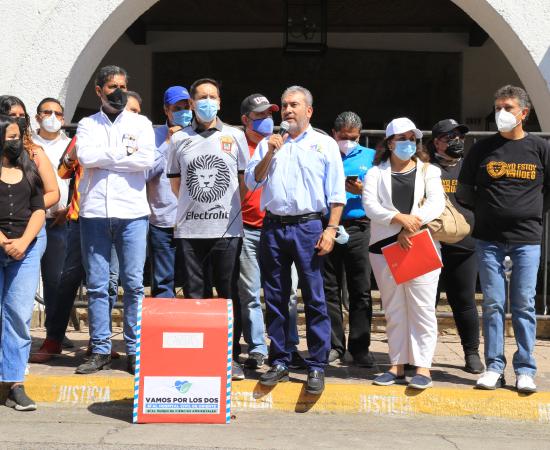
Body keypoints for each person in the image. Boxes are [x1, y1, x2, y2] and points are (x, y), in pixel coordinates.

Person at [245, 85, 346, 394]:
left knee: (314, 297)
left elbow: (336, 192)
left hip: (309, 227)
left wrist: (330, 230)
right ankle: (280, 360)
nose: (288, 110)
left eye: (294, 105)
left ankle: (316, 364)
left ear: (308, 111)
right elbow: (253, 181)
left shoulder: (324, 144)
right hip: (274, 227)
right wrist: (270, 152)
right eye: (285, 105)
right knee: (275, 296)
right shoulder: (269, 143)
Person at [30, 91, 143, 363]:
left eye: (135, 112)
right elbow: (63, 171)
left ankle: (99, 342)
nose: (129, 115)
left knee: (110, 283)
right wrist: (83, 153)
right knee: (68, 280)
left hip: (122, 216)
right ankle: (54, 339)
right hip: (82, 218)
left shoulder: (139, 135)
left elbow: (145, 163)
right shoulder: (87, 132)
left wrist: (105, 156)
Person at [457, 85, 550, 393]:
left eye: (508, 108)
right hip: (489, 239)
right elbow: (464, 191)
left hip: (527, 239)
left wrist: (529, 212)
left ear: (524, 113)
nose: (501, 113)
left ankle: (525, 369)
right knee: (493, 303)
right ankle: (494, 367)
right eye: (497, 107)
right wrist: (489, 212)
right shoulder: (482, 149)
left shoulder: (540, 148)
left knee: (523, 303)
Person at [74, 65, 154, 375]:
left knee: (132, 284)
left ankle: (134, 350)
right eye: (112, 87)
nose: (118, 92)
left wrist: (105, 157)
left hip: (132, 213)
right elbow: (85, 157)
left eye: (122, 86)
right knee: (97, 286)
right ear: (99, 90)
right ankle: (101, 349)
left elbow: (146, 159)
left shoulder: (140, 123)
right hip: (94, 212)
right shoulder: (87, 124)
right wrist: (122, 156)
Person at [167, 78, 248, 380]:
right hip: (190, 231)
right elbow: (176, 183)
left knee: (228, 295)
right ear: (191, 103)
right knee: (195, 295)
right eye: (202, 97)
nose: (208, 102)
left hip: (228, 229)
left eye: (213, 97)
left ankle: (231, 356)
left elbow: (243, 181)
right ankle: (199, 355)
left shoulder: (235, 136)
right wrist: (196, 207)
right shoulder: (179, 139)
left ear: (220, 102)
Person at [363, 117, 445, 390]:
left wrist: (412, 225)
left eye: (412, 139)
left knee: (422, 308)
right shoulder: (375, 173)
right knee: (394, 308)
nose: (408, 143)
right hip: (384, 249)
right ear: (389, 143)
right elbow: (371, 206)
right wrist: (399, 219)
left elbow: (436, 203)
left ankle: (423, 366)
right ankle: (396, 364)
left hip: (418, 244)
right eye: (402, 138)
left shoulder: (429, 171)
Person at [427, 119, 483, 374]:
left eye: (459, 136)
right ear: (437, 142)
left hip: (464, 245)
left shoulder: (470, 168)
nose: (456, 141)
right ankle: (419, 356)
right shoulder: (426, 168)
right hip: (430, 244)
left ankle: (471, 353)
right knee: (426, 302)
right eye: (450, 137)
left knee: (464, 301)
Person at [0, 114, 46, 410]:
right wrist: (4, 242)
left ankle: (14, 383)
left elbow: (39, 209)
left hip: (24, 251)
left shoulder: (29, 168)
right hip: (3, 245)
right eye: (10, 137)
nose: (15, 142)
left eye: (18, 137)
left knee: (18, 315)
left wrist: (23, 241)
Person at [324, 111, 375, 367]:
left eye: (353, 138)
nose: (348, 142)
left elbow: (380, 194)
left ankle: (360, 347)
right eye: (343, 137)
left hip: (359, 227)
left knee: (360, 289)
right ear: (334, 134)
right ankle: (334, 345)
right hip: (328, 226)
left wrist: (362, 189)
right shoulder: (324, 153)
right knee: (329, 288)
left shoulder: (371, 157)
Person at [237, 93, 279, 369]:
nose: (267, 119)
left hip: (277, 228)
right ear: (245, 119)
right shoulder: (237, 146)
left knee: (285, 293)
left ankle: (284, 347)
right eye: (259, 115)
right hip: (246, 228)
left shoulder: (282, 144)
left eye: (269, 114)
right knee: (250, 292)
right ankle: (257, 347)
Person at [31, 98, 71, 340]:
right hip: (28, 223)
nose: (53, 117)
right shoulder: (28, 145)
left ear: (64, 119)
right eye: (47, 112)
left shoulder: (70, 145)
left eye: (57, 113)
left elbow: (79, 182)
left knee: (56, 280)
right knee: (24, 279)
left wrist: (69, 209)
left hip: (59, 222)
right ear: (37, 117)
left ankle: (55, 333)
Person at [146, 86, 190, 298]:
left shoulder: (198, 135)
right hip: (162, 219)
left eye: (186, 108)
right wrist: (166, 144)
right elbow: (146, 172)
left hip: (193, 220)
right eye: (177, 109)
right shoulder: (153, 136)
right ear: (166, 110)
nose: (183, 112)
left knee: (194, 281)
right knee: (163, 282)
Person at [0, 96, 60, 210]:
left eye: (22, 115)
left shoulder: (35, 152)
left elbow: (53, 192)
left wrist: (27, 211)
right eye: (12, 115)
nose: (18, 119)